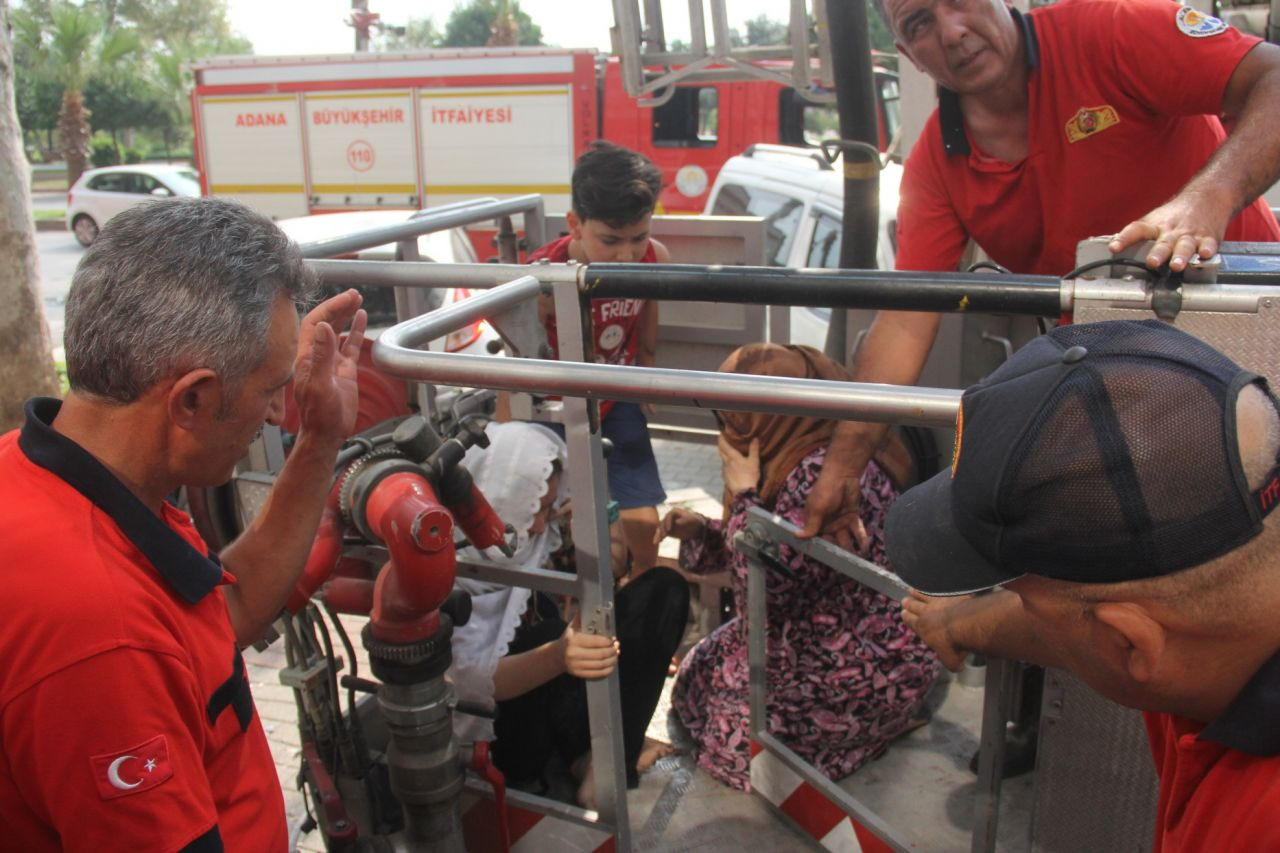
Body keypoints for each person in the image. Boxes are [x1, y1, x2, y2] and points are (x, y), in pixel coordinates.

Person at [803, 0, 1280, 545]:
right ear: (909, 55)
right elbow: (907, 321)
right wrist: (842, 470)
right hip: (1130, 390)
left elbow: (1274, 76)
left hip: (1257, 334)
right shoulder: (936, 164)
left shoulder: (1113, 31)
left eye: (959, 1)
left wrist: (1205, 200)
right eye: (920, 23)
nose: (952, 32)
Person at [0, 198, 367, 850]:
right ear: (193, 398)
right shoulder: (102, 638)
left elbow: (217, 620)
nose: (277, 412)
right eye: (271, 389)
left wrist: (320, 438)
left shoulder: (51, 474)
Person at [884, 319, 1280, 851]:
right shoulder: (1216, 589)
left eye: (1025, 598)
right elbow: (1079, 616)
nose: (1023, 608)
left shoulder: (1259, 828)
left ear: (1130, 644)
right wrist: (958, 623)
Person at [657, 343, 939, 791]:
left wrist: (744, 494)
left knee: (734, 749)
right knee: (697, 679)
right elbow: (763, 552)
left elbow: (765, 593)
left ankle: (865, 735)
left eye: (736, 416)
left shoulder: (820, 476)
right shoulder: (813, 443)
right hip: (825, 630)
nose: (727, 427)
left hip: (861, 655)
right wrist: (701, 530)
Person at [449, 421, 689, 808]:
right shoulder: (448, 569)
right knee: (543, 634)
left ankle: (602, 760)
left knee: (664, 589)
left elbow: (613, 570)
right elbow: (467, 682)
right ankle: (591, 754)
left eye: (547, 508)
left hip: (564, 699)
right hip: (503, 737)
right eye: (534, 508)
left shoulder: (538, 538)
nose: (540, 522)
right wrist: (558, 656)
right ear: (498, 500)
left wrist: (597, 517)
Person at [528, 140, 672, 574]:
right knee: (552, 510)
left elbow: (649, 310)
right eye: (610, 240)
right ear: (575, 225)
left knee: (641, 511)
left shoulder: (654, 258)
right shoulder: (541, 275)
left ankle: (644, 586)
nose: (627, 255)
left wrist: (647, 369)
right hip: (556, 405)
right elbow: (518, 356)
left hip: (617, 391)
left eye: (638, 237)